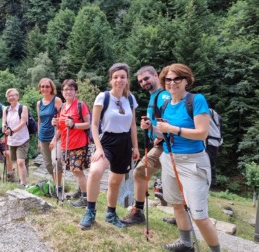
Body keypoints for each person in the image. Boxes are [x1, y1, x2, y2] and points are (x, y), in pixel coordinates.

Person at [156, 63, 220, 251]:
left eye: (177, 79)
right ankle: (185, 243)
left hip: (193, 162)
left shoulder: (196, 100)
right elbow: (169, 133)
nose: (172, 83)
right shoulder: (167, 104)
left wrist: (172, 129)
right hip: (170, 159)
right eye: (168, 79)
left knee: (199, 216)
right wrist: (156, 132)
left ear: (186, 80)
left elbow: (202, 133)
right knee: (176, 204)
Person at [79, 63, 139, 230]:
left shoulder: (131, 99)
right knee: (95, 172)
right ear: (110, 79)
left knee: (115, 182)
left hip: (125, 143)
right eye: (115, 77)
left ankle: (111, 214)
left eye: (122, 77)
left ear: (127, 79)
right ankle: (90, 212)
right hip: (106, 142)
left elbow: (133, 125)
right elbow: (94, 125)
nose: (119, 80)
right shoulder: (103, 97)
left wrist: (135, 147)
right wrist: (98, 148)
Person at [121, 66, 171, 225]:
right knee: (176, 181)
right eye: (141, 81)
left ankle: (138, 212)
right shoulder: (155, 96)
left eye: (146, 79)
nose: (144, 83)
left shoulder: (163, 96)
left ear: (156, 75)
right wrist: (150, 127)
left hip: (166, 145)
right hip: (162, 143)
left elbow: (172, 122)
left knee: (140, 172)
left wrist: (159, 136)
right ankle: (180, 215)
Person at [51, 79, 90, 207]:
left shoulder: (80, 105)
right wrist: (55, 127)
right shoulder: (62, 107)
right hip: (66, 145)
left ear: (75, 91)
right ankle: (80, 191)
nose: (68, 91)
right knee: (75, 171)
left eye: (71, 89)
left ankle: (86, 198)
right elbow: (62, 128)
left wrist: (74, 125)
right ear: (62, 91)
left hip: (79, 144)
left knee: (77, 171)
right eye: (66, 89)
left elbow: (89, 124)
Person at [36, 78, 63, 196]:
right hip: (43, 137)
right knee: (48, 164)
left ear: (52, 88)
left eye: (47, 86)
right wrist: (38, 138)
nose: (45, 89)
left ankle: (59, 187)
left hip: (55, 136)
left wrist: (54, 139)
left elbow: (61, 120)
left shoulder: (57, 101)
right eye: (42, 86)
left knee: (56, 161)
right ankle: (55, 183)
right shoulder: (39, 103)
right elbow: (39, 121)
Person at [2, 88, 29, 187]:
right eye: (9, 96)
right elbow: (4, 122)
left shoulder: (23, 108)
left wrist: (12, 131)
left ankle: (23, 183)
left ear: (17, 96)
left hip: (22, 139)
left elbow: (23, 123)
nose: (11, 97)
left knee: (21, 161)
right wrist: (4, 128)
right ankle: (20, 179)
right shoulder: (6, 109)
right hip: (11, 140)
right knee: (16, 162)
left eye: (13, 95)